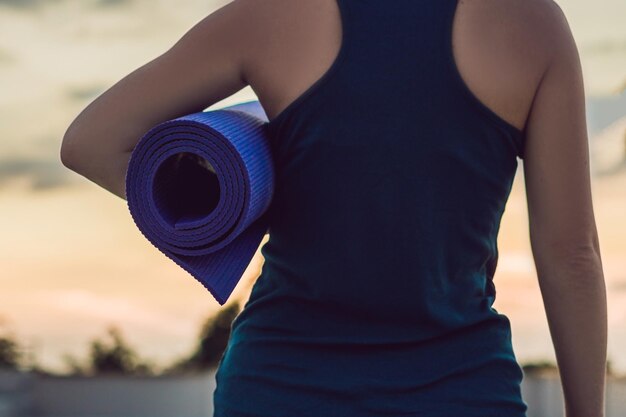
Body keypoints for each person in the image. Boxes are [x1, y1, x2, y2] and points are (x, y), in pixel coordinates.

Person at [60, 0, 608, 416]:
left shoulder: (276, 14)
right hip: (460, 385)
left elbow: (92, 141)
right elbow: (571, 255)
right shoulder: (531, 24)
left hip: (281, 385)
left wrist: (230, 210)